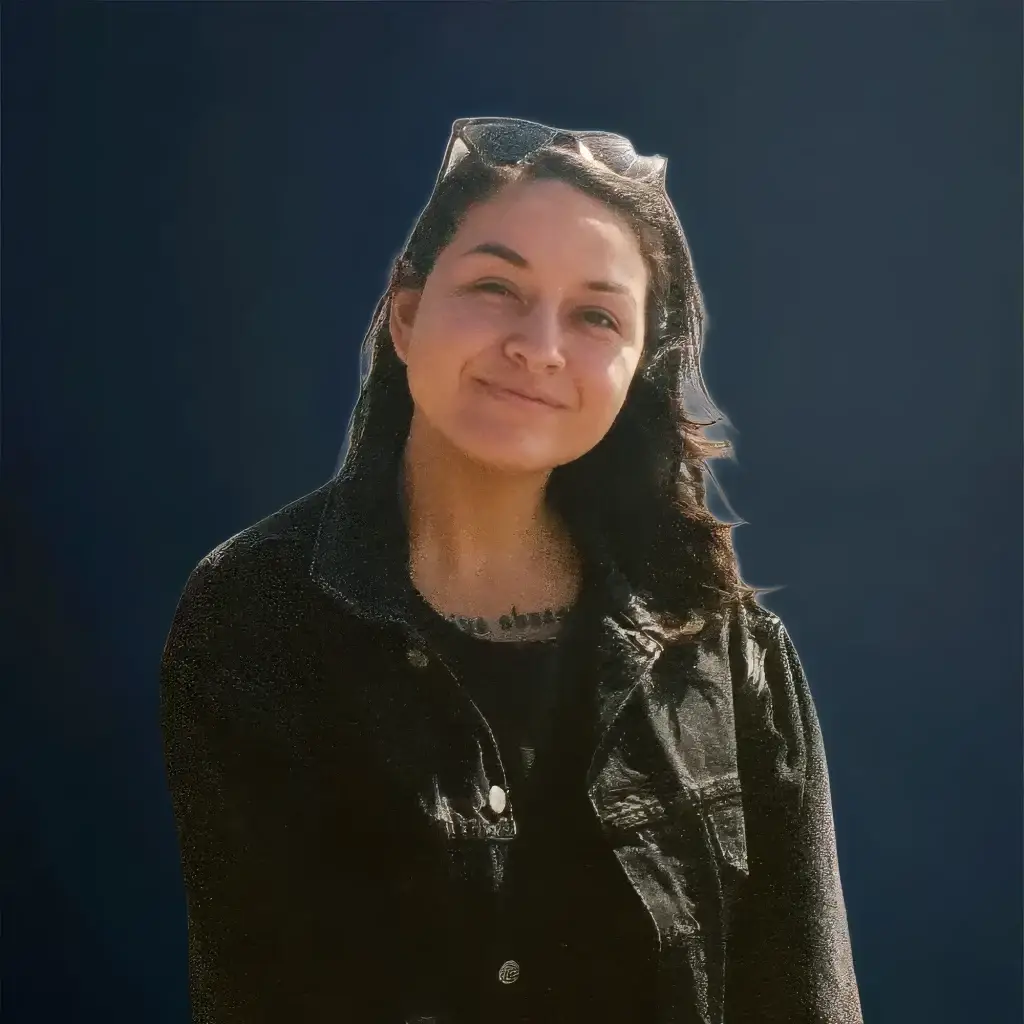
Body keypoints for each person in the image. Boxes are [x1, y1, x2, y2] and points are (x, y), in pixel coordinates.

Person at [160, 117, 863, 1024]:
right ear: (406, 315)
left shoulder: (723, 641)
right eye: (496, 286)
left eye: (596, 315)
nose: (540, 346)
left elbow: (804, 995)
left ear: (637, 367)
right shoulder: (257, 612)